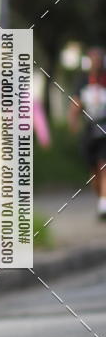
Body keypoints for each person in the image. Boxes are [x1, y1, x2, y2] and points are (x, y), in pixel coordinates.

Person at [68, 46, 106, 219]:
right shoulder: (82, 81)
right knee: (94, 170)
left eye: (98, 59)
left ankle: (103, 204)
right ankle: (101, 198)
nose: (96, 63)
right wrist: (73, 120)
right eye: (93, 59)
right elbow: (76, 103)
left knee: (103, 165)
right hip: (90, 130)